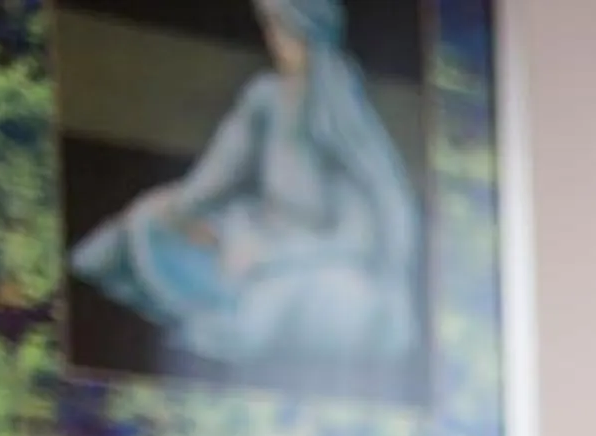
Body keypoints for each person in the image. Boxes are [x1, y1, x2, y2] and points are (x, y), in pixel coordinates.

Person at [70, 0, 420, 369]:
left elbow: (356, 238)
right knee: (143, 225)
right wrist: (181, 209)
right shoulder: (265, 97)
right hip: (251, 231)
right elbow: (221, 170)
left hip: (312, 259)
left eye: (284, 30)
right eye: (272, 28)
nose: (276, 40)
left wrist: (265, 255)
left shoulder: (339, 114)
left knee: (311, 301)